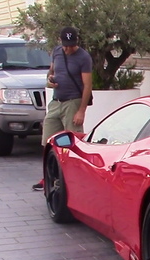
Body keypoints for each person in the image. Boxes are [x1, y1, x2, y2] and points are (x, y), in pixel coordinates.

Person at [32, 26, 93, 191]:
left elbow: (87, 86)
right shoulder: (57, 52)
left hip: (73, 102)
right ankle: (48, 176)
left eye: (71, 45)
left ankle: (73, 179)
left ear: (76, 42)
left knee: (72, 142)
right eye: (65, 45)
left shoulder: (83, 57)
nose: (67, 48)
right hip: (56, 101)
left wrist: (81, 110)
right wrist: (49, 79)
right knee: (48, 141)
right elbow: (50, 72)